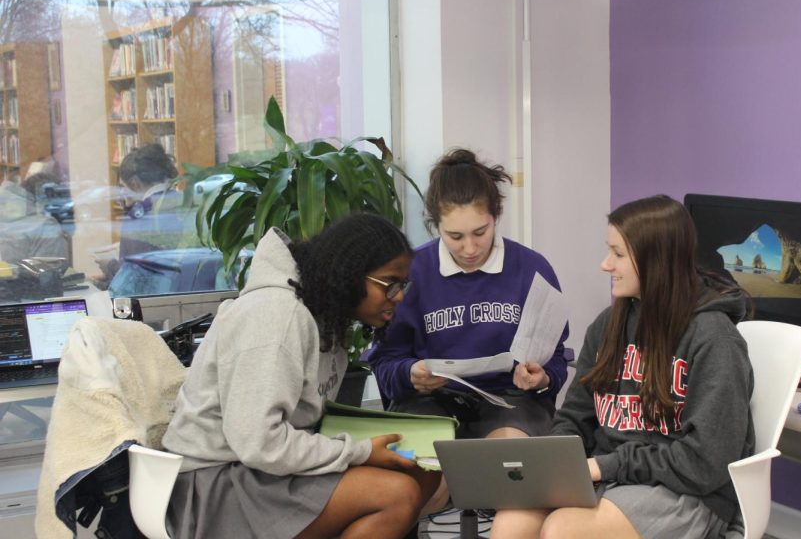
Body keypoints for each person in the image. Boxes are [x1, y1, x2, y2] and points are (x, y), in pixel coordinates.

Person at [491, 195, 755, 539]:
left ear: (655, 260)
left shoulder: (715, 339)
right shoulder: (609, 324)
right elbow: (576, 416)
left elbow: (706, 462)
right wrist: (554, 465)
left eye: (617, 254)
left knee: (562, 531)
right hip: (611, 474)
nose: (605, 264)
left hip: (687, 491)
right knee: (510, 523)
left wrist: (604, 466)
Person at [162, 213, 437, 539]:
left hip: (262, 471)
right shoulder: (275, 315)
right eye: (389, 284)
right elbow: (259, 444)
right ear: (350, 275)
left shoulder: (325, 313)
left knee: (422, 473)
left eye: (402, 284)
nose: (399, 296)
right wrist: (359, 451)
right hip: (215, 485)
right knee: (396, 495)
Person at [368, 148, 569, 441]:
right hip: (429, 401)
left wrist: (543, 377)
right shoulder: (412, 271)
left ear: (496, 216)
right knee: (431, 469)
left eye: (480, 232)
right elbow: (385, 361)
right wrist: (410, 374)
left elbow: (557, 357)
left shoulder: (532, 269)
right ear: (436, 225)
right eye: (455, 237)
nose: (470, 248)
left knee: (505, 460)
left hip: (511, 400)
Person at [93, 143, 183, 286]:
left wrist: (109, 267)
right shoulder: (187, 202)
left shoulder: (139, 216)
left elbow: (136, 277)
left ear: (134, 184)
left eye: (123, 187)